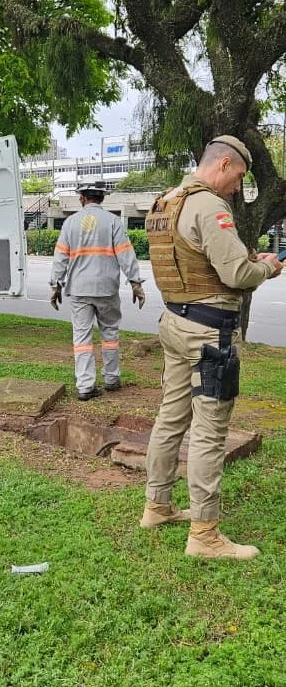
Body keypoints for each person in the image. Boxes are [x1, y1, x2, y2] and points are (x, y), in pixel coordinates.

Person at [142, 135, 283, 560]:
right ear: (223, 164)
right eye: (239, 177)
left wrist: (245, 262)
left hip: (174, 322)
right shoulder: (209, 206)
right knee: (210, 430)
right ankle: (204, 535)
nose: (238, 188)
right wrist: (268, 267)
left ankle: (157, 506)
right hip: (208, 334)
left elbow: (195, 261)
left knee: (170, 416)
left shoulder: (165, 202)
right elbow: (237, 273)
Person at [50, 181, 145, 400]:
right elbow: (125, 254)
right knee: (110, 334)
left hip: (79, 289)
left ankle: (85, 386)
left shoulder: (70, 223)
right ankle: (111, 379)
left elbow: (60, 257)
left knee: (82, 337)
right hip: (106, 288)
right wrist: (135, 283)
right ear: (102, 198)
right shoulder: (112, 221)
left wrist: (55, 285)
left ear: (82, 198)